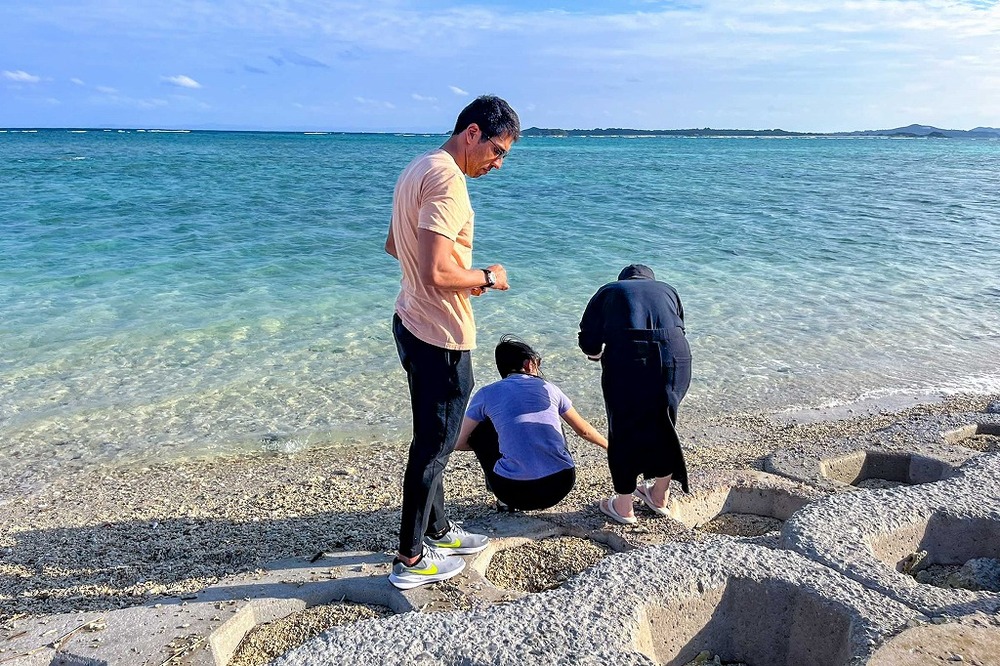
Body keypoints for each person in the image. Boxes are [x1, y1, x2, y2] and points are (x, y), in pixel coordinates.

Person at [384, 95, 520, 590]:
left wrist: (458, 279)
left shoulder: (418, 167)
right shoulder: (448, 180)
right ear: (472, 133)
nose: (498, 164)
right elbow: (437, 271)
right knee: (435, 445)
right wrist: (487, 276)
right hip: (440, 334)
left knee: (431, 437)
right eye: (497, 151)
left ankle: (437, 530)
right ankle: (410, 558)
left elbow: (396, 247)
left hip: (410, 319)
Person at [578, 264, 692, 525]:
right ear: (651, 279)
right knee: (665, 422)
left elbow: (589, 336)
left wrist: (595, 353)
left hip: (629, 358)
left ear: (623, 279)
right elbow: (680, 328)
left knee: (623, 426)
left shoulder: (609, 290)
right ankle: (659, 496)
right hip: (677, 358)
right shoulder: (668, 290)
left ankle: (624, 506)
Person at [454, 336, 608, 512]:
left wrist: (492, 446)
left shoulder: (486, 393)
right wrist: (609, 446)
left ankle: (503, 500)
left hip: (511, 492)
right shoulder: (550, 388)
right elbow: (584, 431)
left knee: (481, 431)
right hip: (561, 485)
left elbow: (458, 442)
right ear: (529, 364)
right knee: (552, 420)